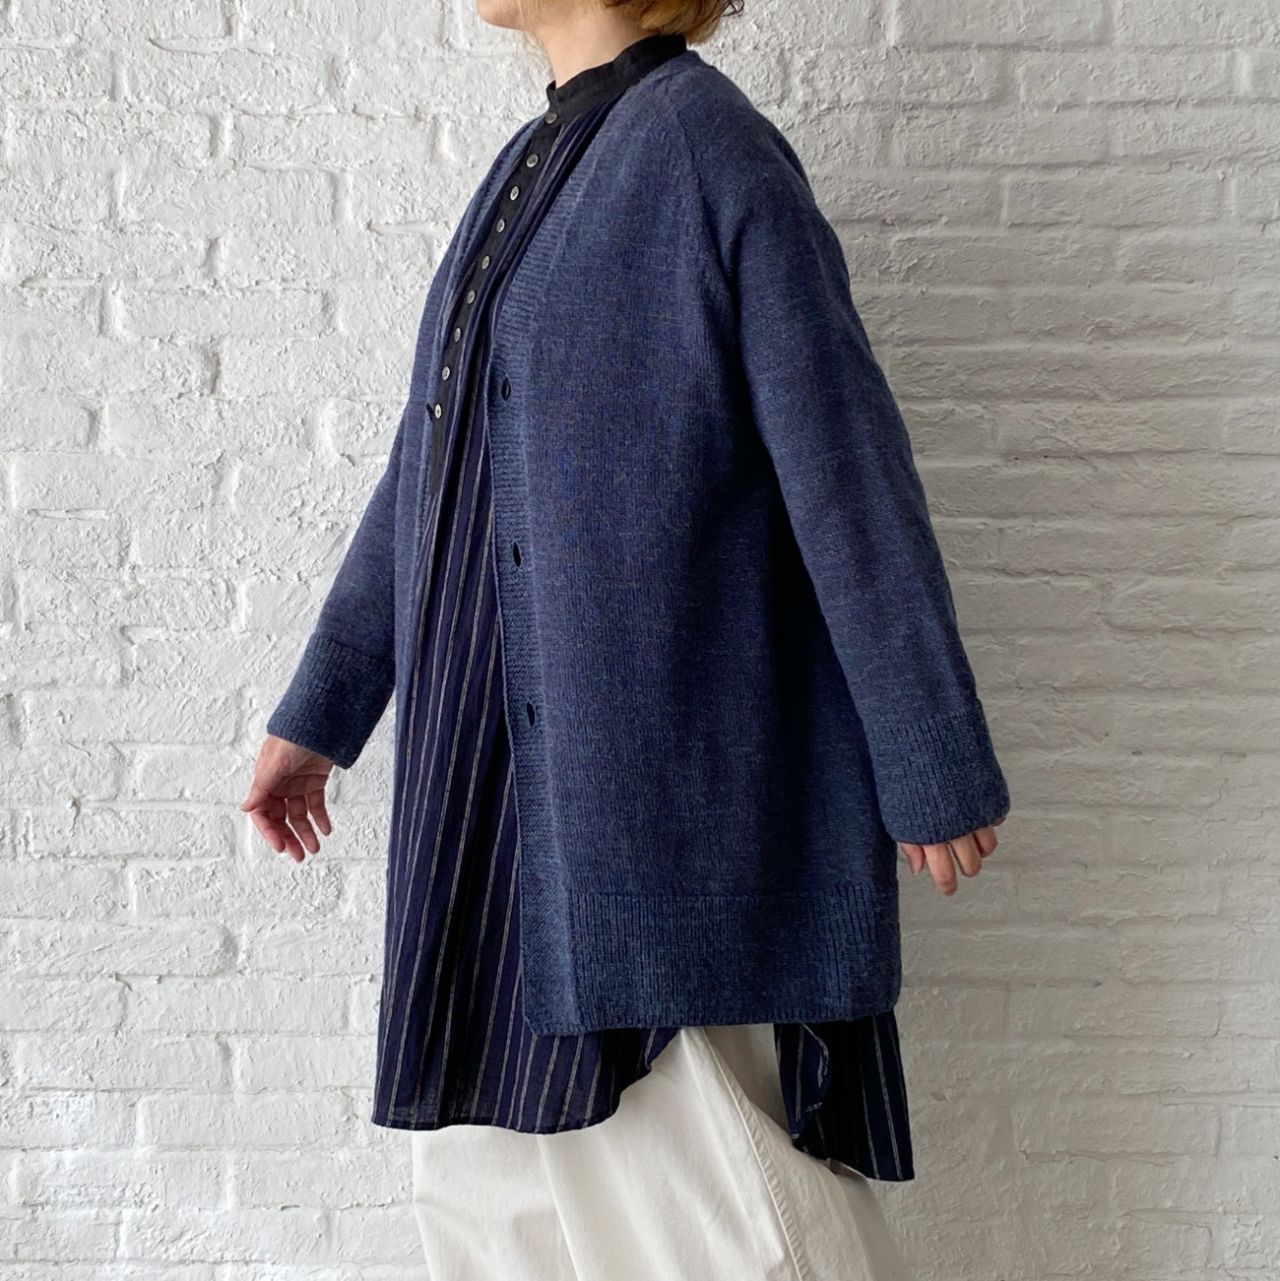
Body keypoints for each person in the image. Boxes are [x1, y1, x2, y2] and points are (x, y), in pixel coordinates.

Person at [241, 2, 1011, 1276]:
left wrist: (926, 756)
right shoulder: (527, 162)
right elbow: (431, 465)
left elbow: (846, 471)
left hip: (638, 814)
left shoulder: (708, 149)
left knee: (713, 1210)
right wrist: (321, 712)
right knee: (493, 1207)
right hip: (484, 808)